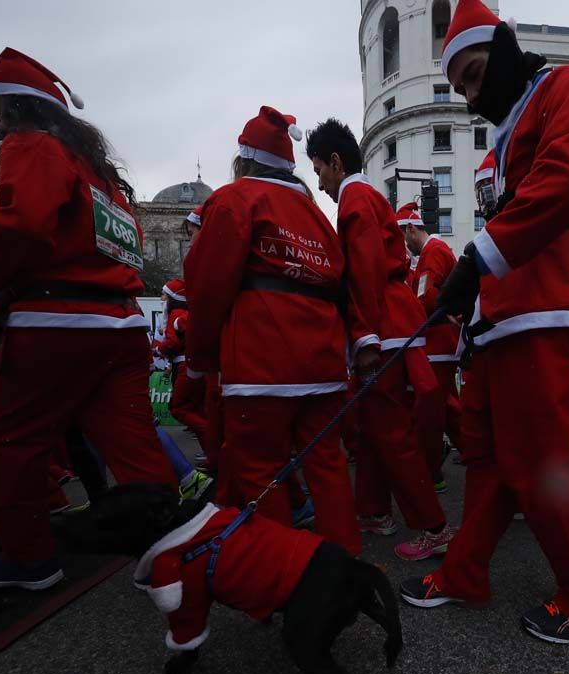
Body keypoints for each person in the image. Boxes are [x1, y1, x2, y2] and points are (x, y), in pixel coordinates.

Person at [398, 0, 569, 644]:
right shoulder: (506, 132)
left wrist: (479, 259)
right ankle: (467, 571)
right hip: (504, 313)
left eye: (473, 75)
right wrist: (473, 310)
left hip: (543, 306)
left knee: (542, 461)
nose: (472, 97)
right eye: (461, 85)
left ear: (504, 45)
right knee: (488, 457)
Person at [0, 48, 177, 589]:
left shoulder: (32, 145)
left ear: (17, 108)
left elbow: (21, 225)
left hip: (56, 322)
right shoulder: (103, 179)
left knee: (10, 443)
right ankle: (175, 546)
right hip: (121, 326)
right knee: (135, 448)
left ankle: (30, 558)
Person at [184, 106, 360, 555]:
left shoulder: (234, 199)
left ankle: (284, 575)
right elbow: (342, 278)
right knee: (327, 465)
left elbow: (206, 286)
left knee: (261, 470)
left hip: (262, 362)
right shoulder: (316, 212)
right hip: (321, 362)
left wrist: (202, 360)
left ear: (244, 159)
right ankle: (347, 568)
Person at [306, 118, 455, 552]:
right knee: (373, 427)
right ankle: (374, 512)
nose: (319, 183)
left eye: (319, 171)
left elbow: (365, 269)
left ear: (336, 162)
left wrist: (364, 337)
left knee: (389, 431)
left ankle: (434, 527)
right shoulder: (364, 196)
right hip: (390, 320)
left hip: (382, 326)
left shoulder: (354, 197)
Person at [396, 201, 462, 498]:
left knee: (432, 413)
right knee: (447, 410)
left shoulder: (433, 252)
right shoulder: (435, 251)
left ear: (411, 229)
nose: (404, 245)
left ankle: (432, 472)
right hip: (439, 342)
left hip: (437, 343)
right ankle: (480, 456)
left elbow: (427, 296)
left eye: (403, 237)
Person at [155, 278, 209, 455]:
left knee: (179, 409)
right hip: (193, 365)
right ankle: (213, 454)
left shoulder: (176, 314)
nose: (162, 298)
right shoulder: (186, 314)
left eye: (164, 294)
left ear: (172, 298)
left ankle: (213, 444)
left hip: (186, 366)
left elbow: (172, 342)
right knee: (197, 409)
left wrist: (158, 349)